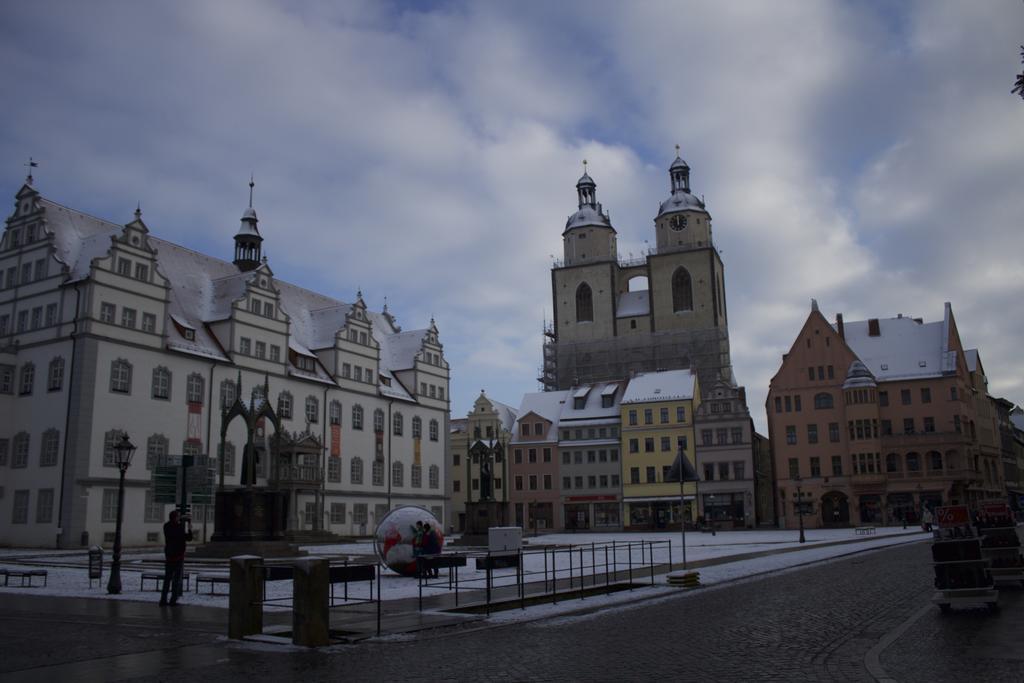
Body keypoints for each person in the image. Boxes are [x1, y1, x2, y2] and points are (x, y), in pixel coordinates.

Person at [160, 509, 193, 606]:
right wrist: (189, 527)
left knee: (167, 579)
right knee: (176, 579)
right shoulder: (178, 527)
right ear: (175, 518)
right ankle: (173, 600)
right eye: (178, 516)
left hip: (169, 556)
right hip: (178, 556)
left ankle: (163, 599)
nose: (179, 518)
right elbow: (188, 538)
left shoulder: (166, 526)